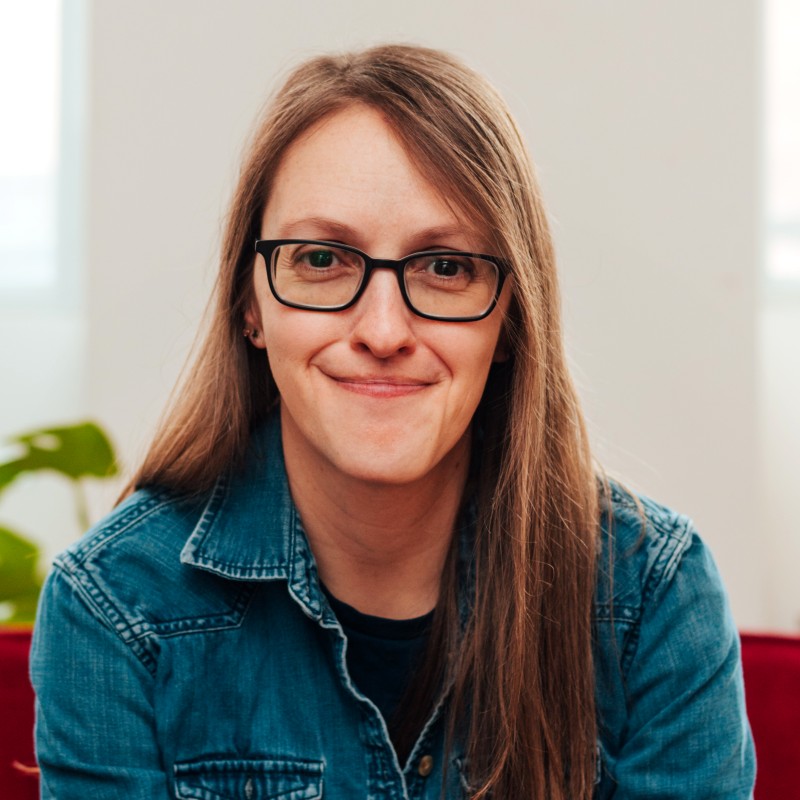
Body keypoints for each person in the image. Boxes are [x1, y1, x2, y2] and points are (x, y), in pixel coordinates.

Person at [30, 45, 755, 799]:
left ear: (511, 317)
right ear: (250, 304)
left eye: (445, 267)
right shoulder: (113, 606)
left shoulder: (652, 595)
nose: (383, 330)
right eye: (321, 259)